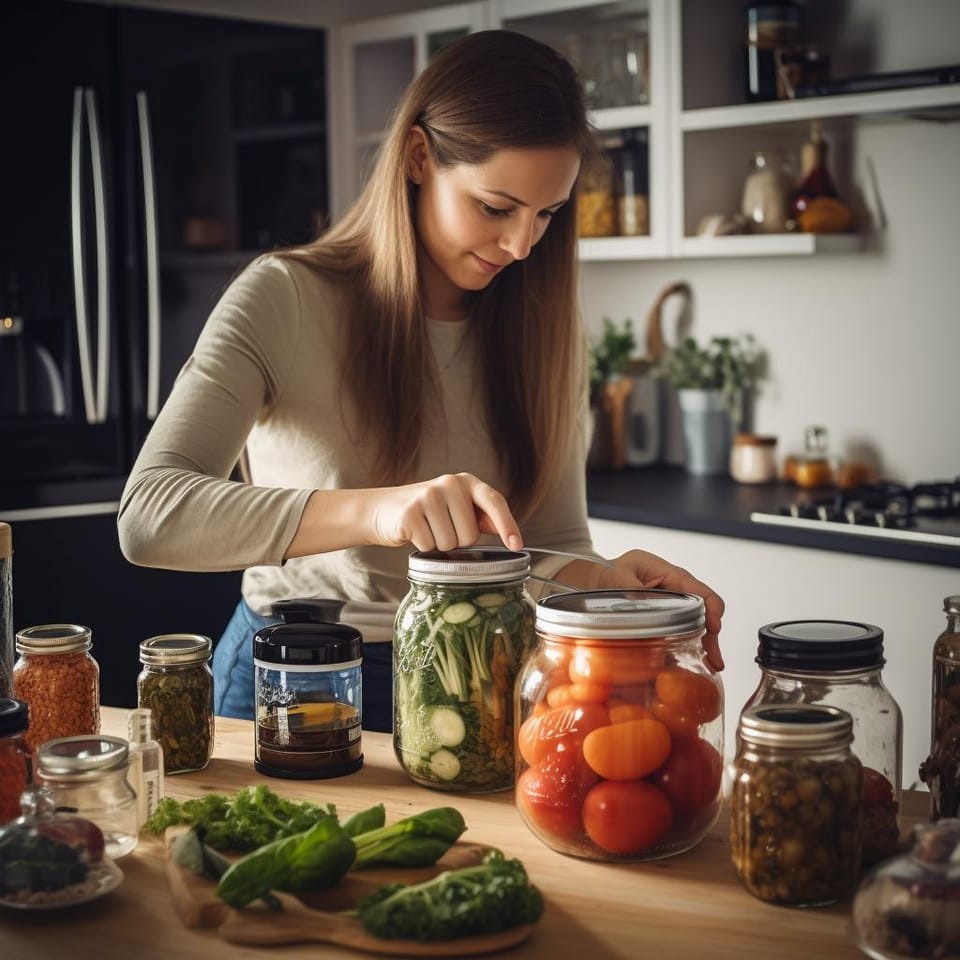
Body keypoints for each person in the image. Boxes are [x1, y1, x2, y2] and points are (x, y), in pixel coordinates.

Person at [118, 30, 725, 732]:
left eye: (547, 215)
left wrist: (600, 580)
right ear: (417, 159)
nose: (523, 245)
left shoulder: (544, 328)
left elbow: (551, 540)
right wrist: (379, 512)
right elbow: (150, 517)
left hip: (479, 681)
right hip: (296, 676)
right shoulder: (282, 295)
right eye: (497, 208)